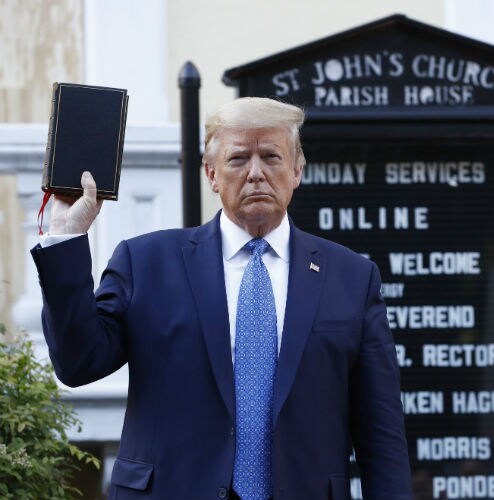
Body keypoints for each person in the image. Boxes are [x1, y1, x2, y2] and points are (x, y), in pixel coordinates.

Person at [31, 97, 412, 500]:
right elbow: (78, 363)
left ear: (297, 170)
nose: (256, 173)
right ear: (211, 174)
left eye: (271, 156)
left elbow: (381, 434)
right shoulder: (146, 262)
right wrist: (67, 239)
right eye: (238, 159)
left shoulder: (351, 277)